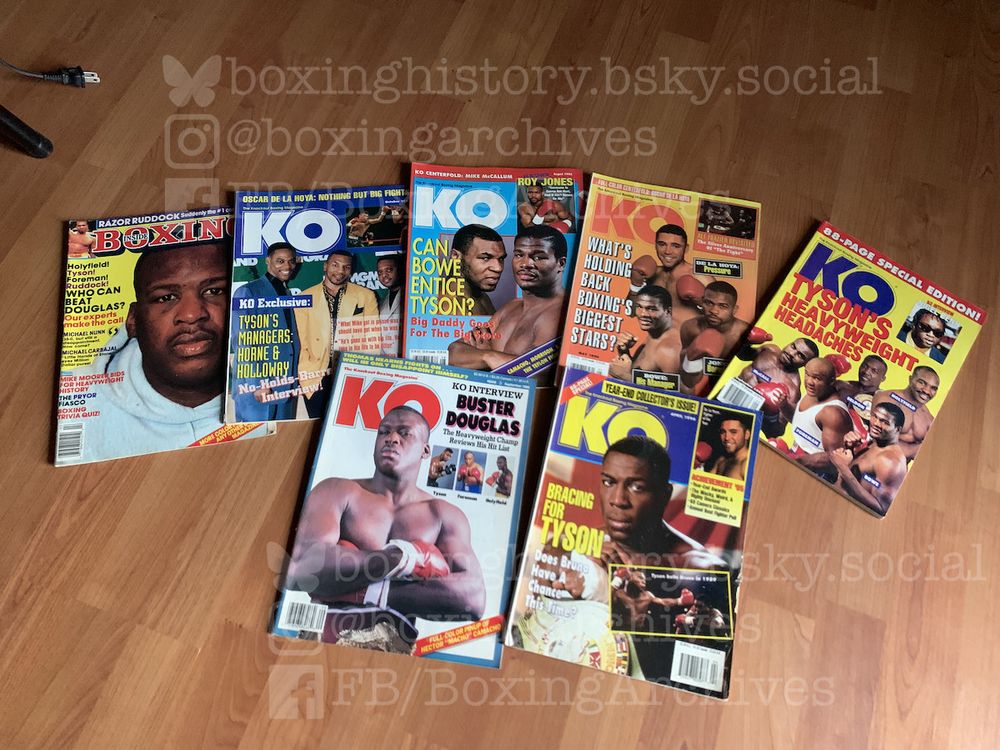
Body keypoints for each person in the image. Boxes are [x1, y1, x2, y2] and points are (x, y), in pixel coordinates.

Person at [286, 405, 485, 652]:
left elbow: (472, 598)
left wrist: (367, 588)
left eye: (404, 433)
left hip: (392, 655)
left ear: (425, 450)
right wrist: (400, 559)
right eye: (384, 432)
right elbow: (300, 570)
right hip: (320, 644)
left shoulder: (443, 515)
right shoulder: (338, 491)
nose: (391, 438)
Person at [70, 242, 267, 462]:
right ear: (133, 320)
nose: (192, 314)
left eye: (214, 291)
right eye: (165, 297)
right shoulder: (76, 404)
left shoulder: (285, 387)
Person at [447, 225, 565, 371]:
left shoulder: (562, 313)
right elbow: (453, 352)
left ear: (561, 263)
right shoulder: (510, 308)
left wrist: (482, 355)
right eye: (519, 255)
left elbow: (534, 373)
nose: (525, 264)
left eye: (538, 257)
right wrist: (489, 357)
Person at [295, 250, 380, 418]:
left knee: (346, 424)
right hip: (315, 374)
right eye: (335, 265)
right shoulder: (305, 296)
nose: (340, 271)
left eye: (346, 267)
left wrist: (366, 372)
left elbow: (373, 338)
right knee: (316, 425)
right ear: (325, 266)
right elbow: (301, 339)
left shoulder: (366, 296)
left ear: (351, 270)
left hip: (350, 372)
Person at [231, 242, 301, 421]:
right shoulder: (247, 291)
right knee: (253, 445)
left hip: (284, 387)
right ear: (267, 261)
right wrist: (258, 385)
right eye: (280, 261)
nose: (287, 266)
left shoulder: (285, 293)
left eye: (291, 261)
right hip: (259, 388)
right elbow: (243, 342)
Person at [828, 402, 908, 515]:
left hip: (843, 514)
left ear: (898, 429)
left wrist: (842, 467)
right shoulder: (875, 442)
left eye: (884, 422)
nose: (876, 423)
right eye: (874, 416)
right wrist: (850, 449)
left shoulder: (891, 461)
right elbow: (859, 476)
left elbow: (881, 508)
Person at [625, 224, 708, 327]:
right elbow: (632, 312)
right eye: (662, 244)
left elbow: (723, 319)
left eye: (675, 246)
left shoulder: (699, 276)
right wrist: (635, 285)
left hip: (690, 340)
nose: (667, 251)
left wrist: (701, 303)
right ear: (655, 245)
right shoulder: (653, 274)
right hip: (660, 339)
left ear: (686, 248)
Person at [737, 336, 819, 437]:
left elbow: (775, 432)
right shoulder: (769, 350)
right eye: (793, 346)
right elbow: (743, 355)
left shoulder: (792, 390)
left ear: (806, 365)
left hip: (742, 420)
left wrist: (771, 413)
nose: (791, 353)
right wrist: (746, 341)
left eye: (800, 355)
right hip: (726, 395)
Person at [678, 281, 750, 394]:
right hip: (703, 380)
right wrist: (691, 357)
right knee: (684, 387)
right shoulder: (690, 328)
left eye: (723, 306)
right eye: (709, 303)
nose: (713, 311)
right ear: (702, 302)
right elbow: (689, 381)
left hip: (736, 383)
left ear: (734, 310)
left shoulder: (745, 333)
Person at [787, 357, 853, 478]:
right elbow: (802, 422)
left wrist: (798, 461)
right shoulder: (814, 392)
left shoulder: (832, 413)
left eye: (817, 378)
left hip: (816, 476)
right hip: (797, 460)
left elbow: (835, 459)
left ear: (832, 381)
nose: (809, 382)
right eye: (807, 374)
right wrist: (783, 405)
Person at [608, 285, 682, 383]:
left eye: (651, 309)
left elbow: (679, 396)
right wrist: (624, 352)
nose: (642, 314)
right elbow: (646, 376)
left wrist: (625, 376)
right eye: (639, 306)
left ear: (667, 311)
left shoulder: (669, 351)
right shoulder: (654, 333)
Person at [871, 365, 940, 461]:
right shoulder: (886, 398)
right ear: (910, 379)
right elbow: (881, 443)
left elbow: (928, 456)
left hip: (899, 474)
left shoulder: (929, 419)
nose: (926, 391)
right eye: (922, 383)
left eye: (933, 388)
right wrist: (918, 448)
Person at [610, 568, 694, 634]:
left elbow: (663, 602)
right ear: (629, 578)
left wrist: (679, 601)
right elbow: (606, 599)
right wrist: (617, 580)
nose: (644, 581)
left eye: (644, 580)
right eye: (640, 578)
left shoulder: (647, 595)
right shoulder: (619, 594)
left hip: (640, 632)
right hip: (622, 630)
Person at [449, 224, 507, 316]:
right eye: (485, 258)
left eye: (501, 259)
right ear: (456, 256)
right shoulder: (450, 307)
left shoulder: (481, 296)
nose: (498, 268)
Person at [707, 414, 752, 480]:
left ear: (746, 434)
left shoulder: (747, 464)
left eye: (733, 432)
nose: (726, 438)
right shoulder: (721, 461)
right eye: (723, 432)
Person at [375, 254, 404, 355]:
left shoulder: (412, 297)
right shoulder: (381, 303)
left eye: (389, 270)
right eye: (380, 272)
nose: (384, 275)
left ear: (400, 270)